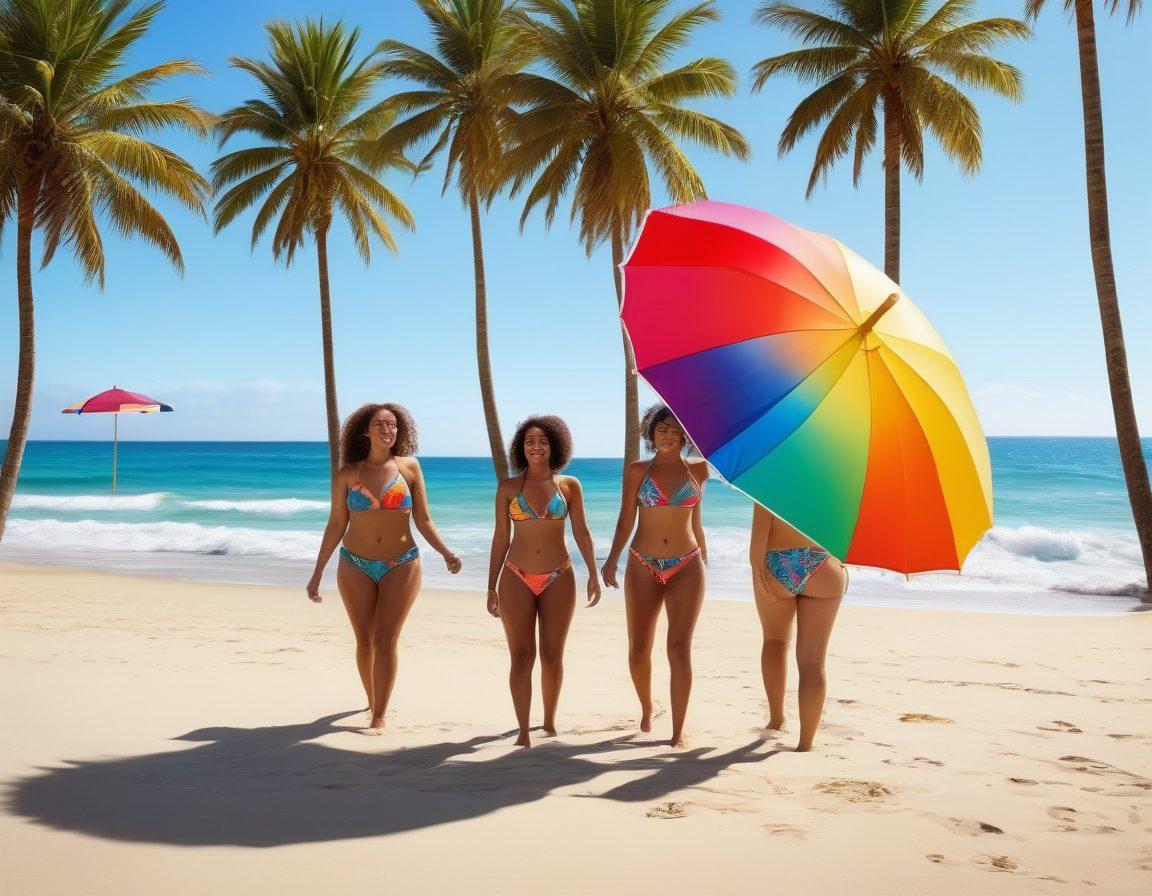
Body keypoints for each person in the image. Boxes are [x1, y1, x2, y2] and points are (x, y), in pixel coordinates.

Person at [306, 403, 461, 733]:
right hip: (355, 564)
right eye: (379, 424)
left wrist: (446, 553)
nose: (387, 430)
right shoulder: (348, 474)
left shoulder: (409, 468)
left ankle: (379, 714)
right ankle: (372, 698)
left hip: (401, 563)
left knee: (385, 639)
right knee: (364, 641)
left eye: (392, 424)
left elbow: (424, 519)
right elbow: (336, 524)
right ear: (365, 431)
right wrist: (317, 572)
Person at [487, 415, 601, 747]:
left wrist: (593, 573)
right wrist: (491, 586)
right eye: (529, 441)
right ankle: (523, 730)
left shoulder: (569, 485)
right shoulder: (508, 488)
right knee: (521, 657)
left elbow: (582, 532)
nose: (536, 447)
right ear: (520, 447)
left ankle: (549, 722)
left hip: (559, 576)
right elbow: (500, 538)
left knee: (552, 656)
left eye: (543, 441)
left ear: (555, 446)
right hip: (515, 576)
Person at [601, 405, 708, 747]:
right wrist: (611, 559)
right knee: (638, 650)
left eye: (675, 430)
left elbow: (696, 519)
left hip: (687, 564)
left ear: (685, 436)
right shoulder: (637, 470)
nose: (668, 435)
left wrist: (705, 556)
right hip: (642, 563)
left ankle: (678, 731)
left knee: (679, 649)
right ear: (651, 433)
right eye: (662, 429)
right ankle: (647, 708)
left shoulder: (699, 470)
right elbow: (625, 519)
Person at [749, 504, 848, 752]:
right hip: (822, 567)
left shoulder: (769, 483)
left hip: (777, 564)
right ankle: (805, 743)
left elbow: (757, 545)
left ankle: (776, 719)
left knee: (774, 642)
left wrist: (759, 579)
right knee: (813, 661)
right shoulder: (838, 486)